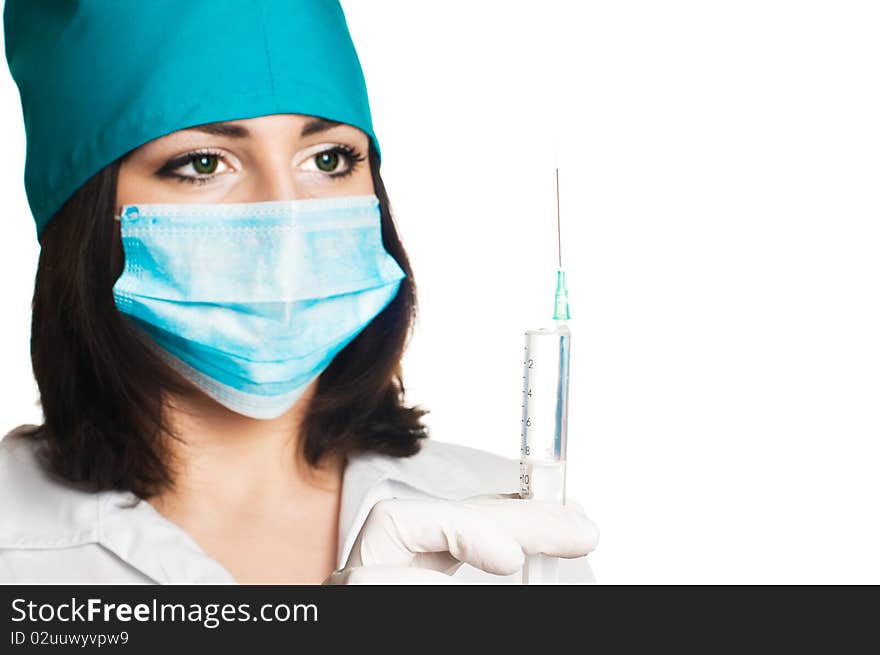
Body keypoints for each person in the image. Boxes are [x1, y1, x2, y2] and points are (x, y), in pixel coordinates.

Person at [0, 0, 598, 584]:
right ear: (85, 215)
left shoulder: (504, 540)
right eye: (205, 164)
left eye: (330, 158)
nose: (285, 217)